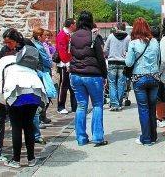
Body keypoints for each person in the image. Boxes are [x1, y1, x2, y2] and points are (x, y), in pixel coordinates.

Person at [0, 45, 48, 168]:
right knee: (29, 126)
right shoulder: (23, 61)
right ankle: (31, 159)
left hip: (16, 92)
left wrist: (5, 101)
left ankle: (16, 160)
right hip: (35, 92)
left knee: (16, 127)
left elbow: (1, 82)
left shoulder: (3, 62)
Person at [69, 10, 108, 147]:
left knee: (81, 106)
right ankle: (97, 137)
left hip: (76, 74)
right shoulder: (93, 37)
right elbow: (100, 58)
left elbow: (71, 54)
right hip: (93, 75)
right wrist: (104, 75)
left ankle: (81, 137)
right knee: (97, 105)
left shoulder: (73, 36)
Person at [125, 17, 161, 145]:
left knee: (143, 109)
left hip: (139, 78)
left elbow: (128, 63)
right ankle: (153, 136)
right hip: (154, 77)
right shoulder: (155, 42)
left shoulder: (133, 43)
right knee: (152, 108)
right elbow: (159, 60)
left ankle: (145, 138)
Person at [31, 27, 54, 143]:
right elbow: (46, 60)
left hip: (41, 71)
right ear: (39, 36)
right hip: (43, 71)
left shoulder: (37, 45)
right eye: (44, 36)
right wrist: (51, 64)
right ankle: (39, 118)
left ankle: (41, 117)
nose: (46, 38)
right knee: (44, 96)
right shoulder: (39, 46)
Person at [104, 22, 131, 111]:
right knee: (121, 83)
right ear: (124, 28)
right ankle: (119, 103)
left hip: (112, 62)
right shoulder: (128, 38)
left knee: (112, 83)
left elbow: (105, 49)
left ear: (116, 28)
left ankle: (114, 104)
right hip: (123, 63)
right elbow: (129, 51)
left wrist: (109, 54)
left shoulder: (111, 36)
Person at [56, 18, 77, 114]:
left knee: (72, 86)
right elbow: (62, 51)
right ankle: (60, 106)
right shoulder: (62, 35)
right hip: (64, 64)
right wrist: (67, 62)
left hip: (69, 63)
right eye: (75, 24)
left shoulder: (68, 34)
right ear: (71, 25)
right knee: (63, 86)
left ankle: (74, 106)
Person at [152, 25, 165, 128]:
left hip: (157, 72)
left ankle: (160, 118)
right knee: (162, 95)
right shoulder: (163, 42)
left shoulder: (153, 44)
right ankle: (164, 117)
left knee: (157, 96)